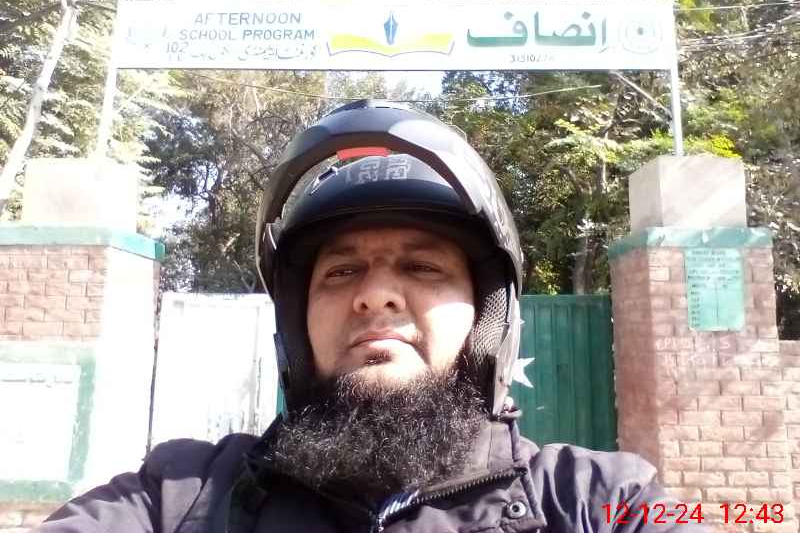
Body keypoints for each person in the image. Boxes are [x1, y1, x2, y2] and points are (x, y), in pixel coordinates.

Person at [34, 100, 706, 532]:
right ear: (297, 323)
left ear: (488, 316)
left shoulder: (598, 501)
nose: (375, 295)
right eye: (340, 271)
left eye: (422, 267)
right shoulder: (181, 496)